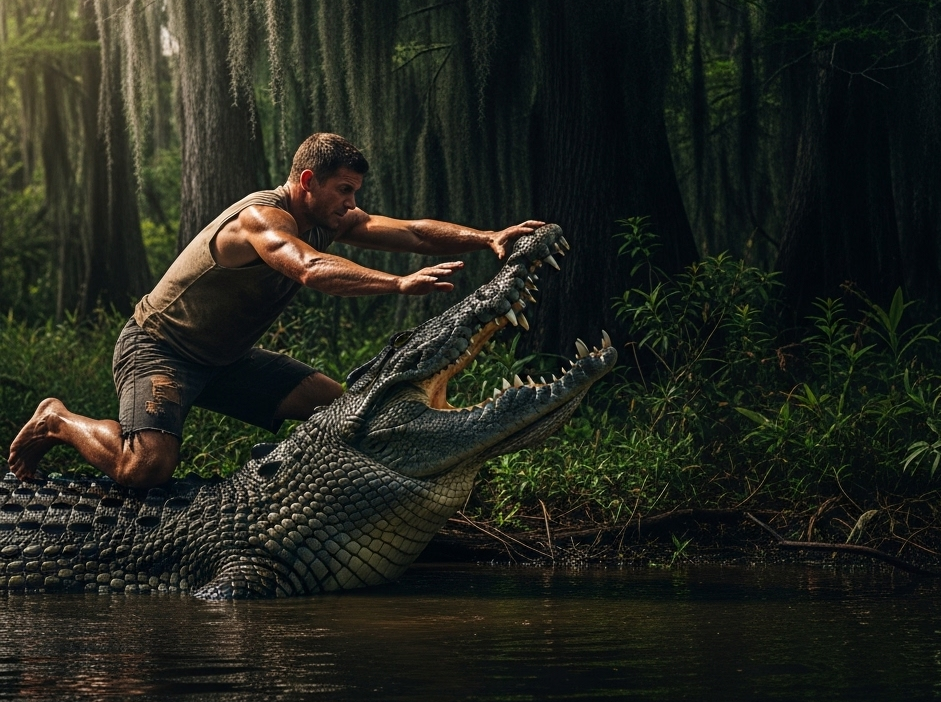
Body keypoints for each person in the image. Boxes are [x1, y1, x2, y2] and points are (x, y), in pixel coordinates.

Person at [8, 132, 542, 489]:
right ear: (307, 182)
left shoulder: (330, 217)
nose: (352, 204)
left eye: (356, 192)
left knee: (347, 414)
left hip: (229, 359)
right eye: (344, 190)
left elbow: (413, 232)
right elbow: (309, 269)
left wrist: (487, 237)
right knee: (145, 466)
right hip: (161, 350)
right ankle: (57, 419)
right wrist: (399, 283)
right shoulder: (260, 220)